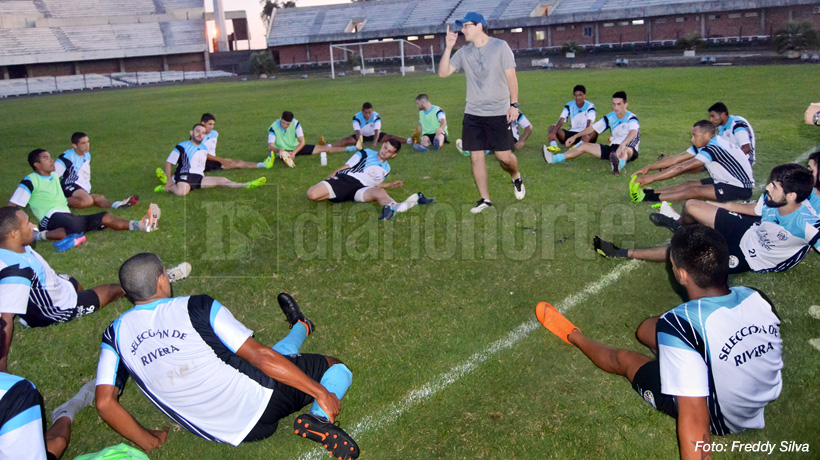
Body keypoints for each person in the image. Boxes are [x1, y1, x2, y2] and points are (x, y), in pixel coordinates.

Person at [537, 224, 782, 460]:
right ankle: (681, 361)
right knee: (647, 330)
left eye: (673, 264)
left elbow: (695, 419)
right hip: (755, 397)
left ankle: (573, 335)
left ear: (682, 274)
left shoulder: (679, 323)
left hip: (722, 417)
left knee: (624, 360)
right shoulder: (756, 296)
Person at [95, 253, 360, 459]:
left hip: (220, 431)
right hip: (259, 403)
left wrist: (149, 442)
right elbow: (260, 357)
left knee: (265, 359)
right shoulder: (196, 306)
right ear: (162, 280)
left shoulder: (114, 334)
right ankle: (318, 419)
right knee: (332, 366)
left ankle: (302, 325)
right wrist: (320, 392)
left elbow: (105, 403)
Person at [595, 164, 820, 274]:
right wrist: (718, 207)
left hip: (754, 258)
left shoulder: (808, 223)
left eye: (774, 186)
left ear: (791, 196)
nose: (767, 188)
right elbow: (755, 209)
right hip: (750, 229)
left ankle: (620, 252)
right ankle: (678, 225)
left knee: (685, 254)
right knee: (692, 206)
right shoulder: (771, 199)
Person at [0, 207, 121, 371]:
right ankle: (145, 288)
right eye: (27, 223)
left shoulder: (14, 246)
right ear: (14, 234)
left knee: (75, 283)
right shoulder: (16, 272)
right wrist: (2, 369)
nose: (33, 225)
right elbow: (5, 320)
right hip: (58, 307)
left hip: (57, 284)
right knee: (111, 290)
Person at [438, 11, 525, 214]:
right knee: (476, 157)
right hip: (473, 113)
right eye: (462, 26)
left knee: (505, 158)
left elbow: (512, 78)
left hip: (498, 112)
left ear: (479, 26)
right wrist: (449, 48)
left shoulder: (500, 47)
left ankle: (515, 175)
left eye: (466, 26)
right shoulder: (464, 52)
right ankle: (485, 200)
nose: (462, 30)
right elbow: (443, 73)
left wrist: (514, 105)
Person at [9, 149, 160, 242]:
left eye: (50, 157)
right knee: (74, 224)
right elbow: (13, 205)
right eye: (46, 158)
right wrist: (12, 228)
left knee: (105, 217)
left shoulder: (54, 176)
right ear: (36, 165)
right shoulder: (30, 180)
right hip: (49, 218)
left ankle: (141, 225)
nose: (51, 160)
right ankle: (38, 235)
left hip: (66, 217)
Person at [629, 120, 754, 204]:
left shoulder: (713, 149)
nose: (692, 139)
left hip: (739, 188)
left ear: (707, 135)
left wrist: (651, 178)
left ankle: (645, 197)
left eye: (695, 135)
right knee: (688, 184)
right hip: (725, 180)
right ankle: (647, 193)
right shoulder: (709, 143)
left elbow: (681, 167)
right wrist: (649, 167)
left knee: (693, 191)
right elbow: (676, 159)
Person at [306, 140, 434, 221]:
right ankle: (414, 200)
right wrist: (328, 180)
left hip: (361, 189)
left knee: (380, 192)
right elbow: (346, 167)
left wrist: (389, 184)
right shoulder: (366, 153)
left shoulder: (386, 169)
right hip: (347, 180)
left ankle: (394, 207)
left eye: (389, 151)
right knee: (312, 194)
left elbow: (375, 184)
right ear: (382, 145)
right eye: (385, 147)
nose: (385, 152)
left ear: (393, 155)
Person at [0, 374, 95, 460]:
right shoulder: (17, 391)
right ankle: (66, 413)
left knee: (57, 442)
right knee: (59, 441)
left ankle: (66, 412)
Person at [543, 91, 640, 175]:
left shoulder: (631, 118)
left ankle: (618, 165)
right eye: (614, 104)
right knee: (584, 146)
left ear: (625, 104)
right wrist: (575, 136)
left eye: (619, 104)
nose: (615, 107)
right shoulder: (610, 117)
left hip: (628, 147)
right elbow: (592, 128)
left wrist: (622, 144)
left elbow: (633, 133)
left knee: (626, 150)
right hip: (613, 148)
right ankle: (555, 158)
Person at [156, 124, 266, 196]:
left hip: (198, 177)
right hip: (184, 175)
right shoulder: (181, 146)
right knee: (182, 192)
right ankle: (169, 185)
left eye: (203, 132)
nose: (200, 134)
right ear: (191, 132)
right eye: (197, 131)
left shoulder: (203, 148)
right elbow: (169, 162)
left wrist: (222, 163)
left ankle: (246, 185)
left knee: (222, 180)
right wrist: (169, 179)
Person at [55, 132, 139, 210]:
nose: (87, 145)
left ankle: (118, 205)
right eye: (83, 143)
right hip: (69, 185)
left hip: (82, 188)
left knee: (99, 198)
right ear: (75, 146)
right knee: (87, 201)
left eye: (88, 142)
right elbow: (52, 175)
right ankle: (57, 201)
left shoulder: (87, 154)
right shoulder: (66, 157)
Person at [266, 111, 352, 168]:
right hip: (283, 152)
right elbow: (270, 147)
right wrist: (279, 150)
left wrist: (294, 153)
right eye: (283, 123)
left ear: (291, 122)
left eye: (287, 124)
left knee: (324, 149)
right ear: (280, 119)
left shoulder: (295, 123)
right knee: (285, 156)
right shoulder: (273, 128)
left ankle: (351, 148)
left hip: (296, 147)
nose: (284, 126)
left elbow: (302, 142)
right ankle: (286, 157)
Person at [325, 103, 411, 152]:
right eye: (366, 112)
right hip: (361, 135)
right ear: (362, 111)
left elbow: (377, 131)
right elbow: (357, 132)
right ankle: (328, 146)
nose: (368, 115)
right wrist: (360, 143)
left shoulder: (376, 116)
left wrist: (374, 143)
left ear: (372, 111)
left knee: (390, 137)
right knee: (346, 140)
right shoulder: (356, 117)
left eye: (370, 112)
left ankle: (409, 140)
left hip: (373, 135)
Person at [198, 113, 270, 171]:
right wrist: (220, 160)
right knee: (233, 164)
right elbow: (202, 154)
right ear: (203, 123)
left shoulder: (214, 133)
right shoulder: (198, 137)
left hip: (213, 159)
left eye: (213, 124)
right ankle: (263, 165)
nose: (212, 126)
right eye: (210, 124)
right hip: (203, 162)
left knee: (235, 162)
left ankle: (262, 164)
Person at [543, 85, 597, 155]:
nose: (578, 98)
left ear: (585, 95)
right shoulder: (569, 105)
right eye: (576, 95)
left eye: (580, 95)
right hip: (571, 134)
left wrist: (585, 133)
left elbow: (590, 121)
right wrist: (553, 132)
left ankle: (578, 146)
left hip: (584, 133)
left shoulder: (590, 106)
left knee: (594, 129)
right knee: (552, 128)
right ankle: (554, 146)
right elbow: (562, 119)